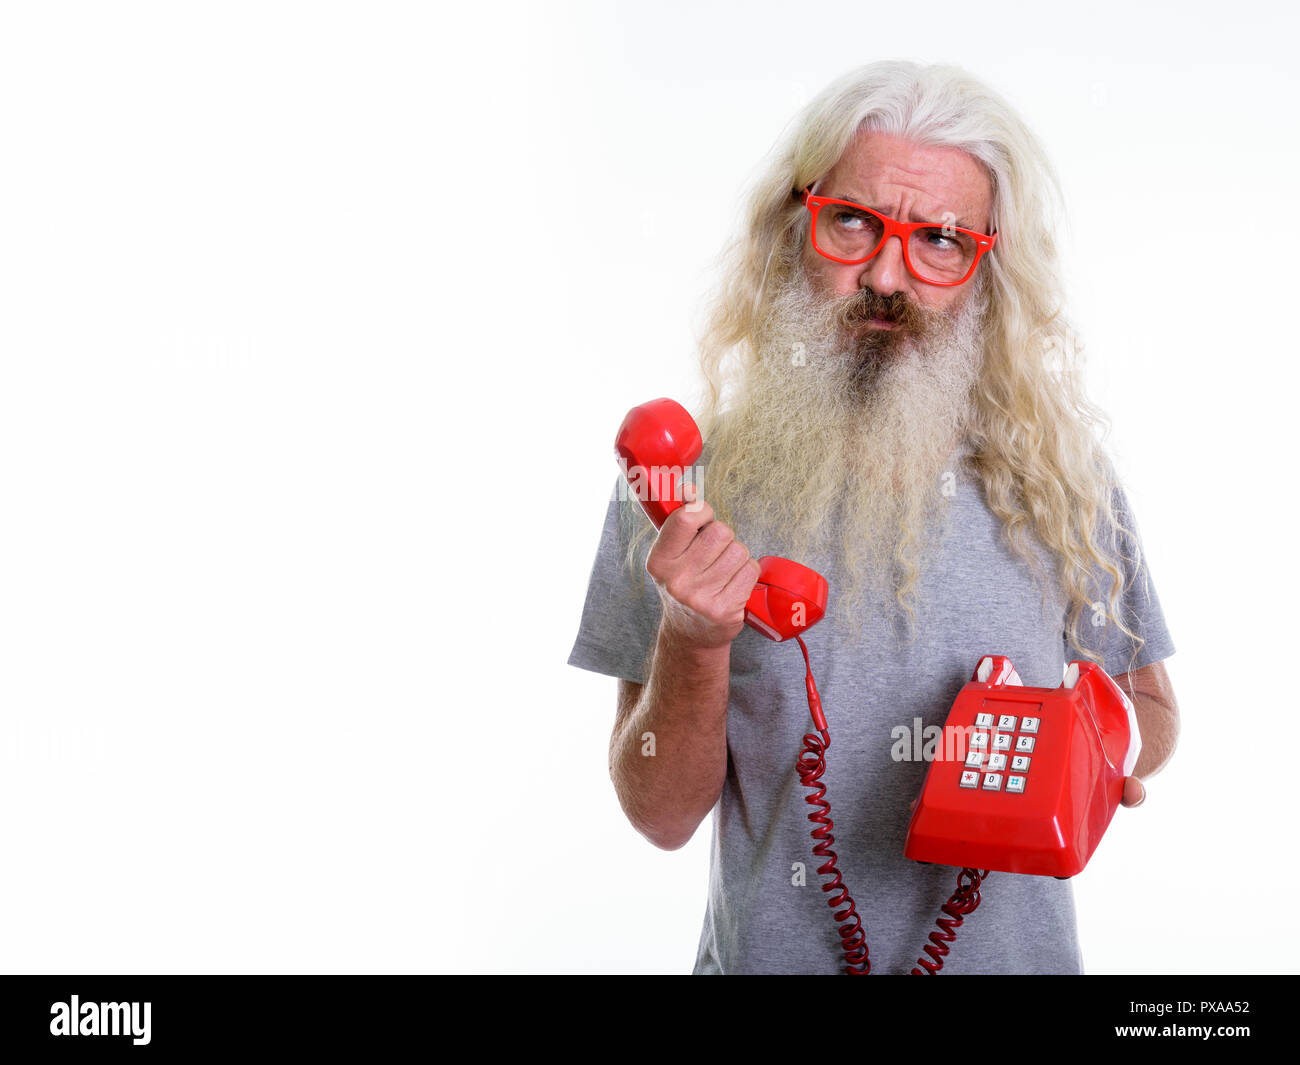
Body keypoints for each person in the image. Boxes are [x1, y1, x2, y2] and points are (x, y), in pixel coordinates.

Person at [567, 60, 1180, 975]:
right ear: (793, 225)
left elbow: (1152, 708)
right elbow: (657, 815)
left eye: (939, 238)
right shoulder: (685, 490)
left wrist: (1091, 749)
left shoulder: (1061, 478)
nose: (887, 274)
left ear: (988, 267)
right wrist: (694, 643)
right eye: (852, 221)